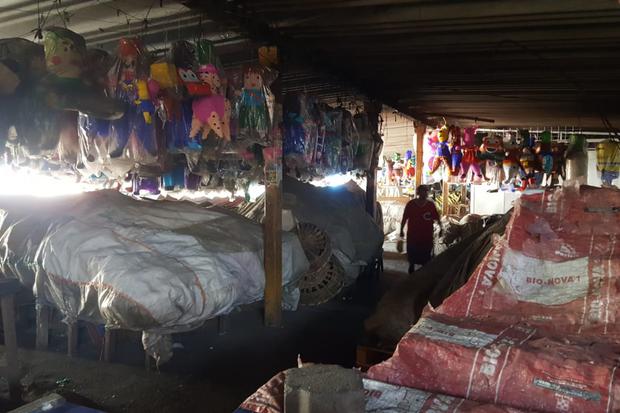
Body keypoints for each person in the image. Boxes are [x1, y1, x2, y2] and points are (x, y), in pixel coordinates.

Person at [400, 185, 442, 274]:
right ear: (418, 193)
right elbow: (405, 217)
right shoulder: (411, 204)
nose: (426, 193)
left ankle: (423, 273)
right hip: (413, 234)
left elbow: (436, 217)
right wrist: (401, 230)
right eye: (423, 191)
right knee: (412, 253)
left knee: (425, 254)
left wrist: (441, 227)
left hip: (426, 235)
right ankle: (411, 269)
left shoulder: (430, 205)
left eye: (426, 191)